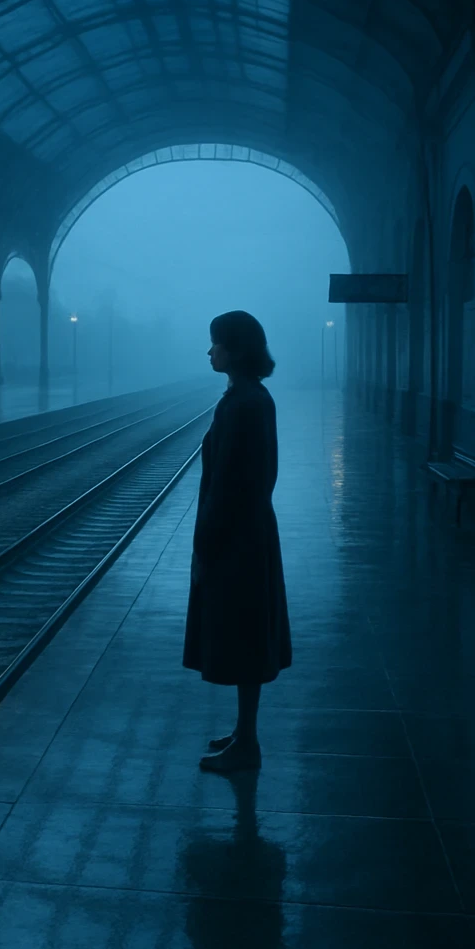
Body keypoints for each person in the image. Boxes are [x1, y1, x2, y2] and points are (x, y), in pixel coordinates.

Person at [183, 310, 291, 771]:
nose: (210, 351)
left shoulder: (243, 404)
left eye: (216, 343)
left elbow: (229, 482)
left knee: (244, 636)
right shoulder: (251, 398)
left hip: (236, 538)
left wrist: (207, 543)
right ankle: (244, 733)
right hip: (249, 532)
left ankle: (247, 745)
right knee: (248, 633)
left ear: (235, 349)